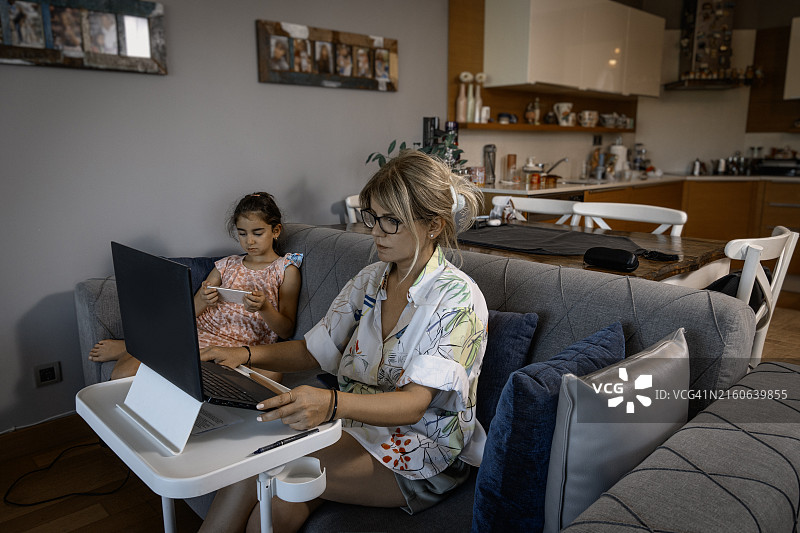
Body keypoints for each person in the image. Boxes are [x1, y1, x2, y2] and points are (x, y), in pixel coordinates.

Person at [198, 151, 487, 533]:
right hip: (351, 423)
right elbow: (312, 349)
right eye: (373, 217)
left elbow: (415, 405)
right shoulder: (372, 280)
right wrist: (244, 354)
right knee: (274, 506)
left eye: (391, 221)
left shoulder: (458, 299)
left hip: (422, 448)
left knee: (259, 464)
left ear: (433, 225)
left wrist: (330, 402)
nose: (375, 232)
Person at [88, 192, 302, 383]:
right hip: (201, 333)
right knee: (121, 374)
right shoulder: (227, 265)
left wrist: (264, 308)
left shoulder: (285, 269)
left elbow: (286, 329)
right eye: (242, 233)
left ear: (275, 231)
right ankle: (134, 347)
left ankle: (136, 347)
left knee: (274, 376)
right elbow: (189, 313)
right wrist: (203, 299)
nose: (249, 241)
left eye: (257, 233)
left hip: (241, 348)